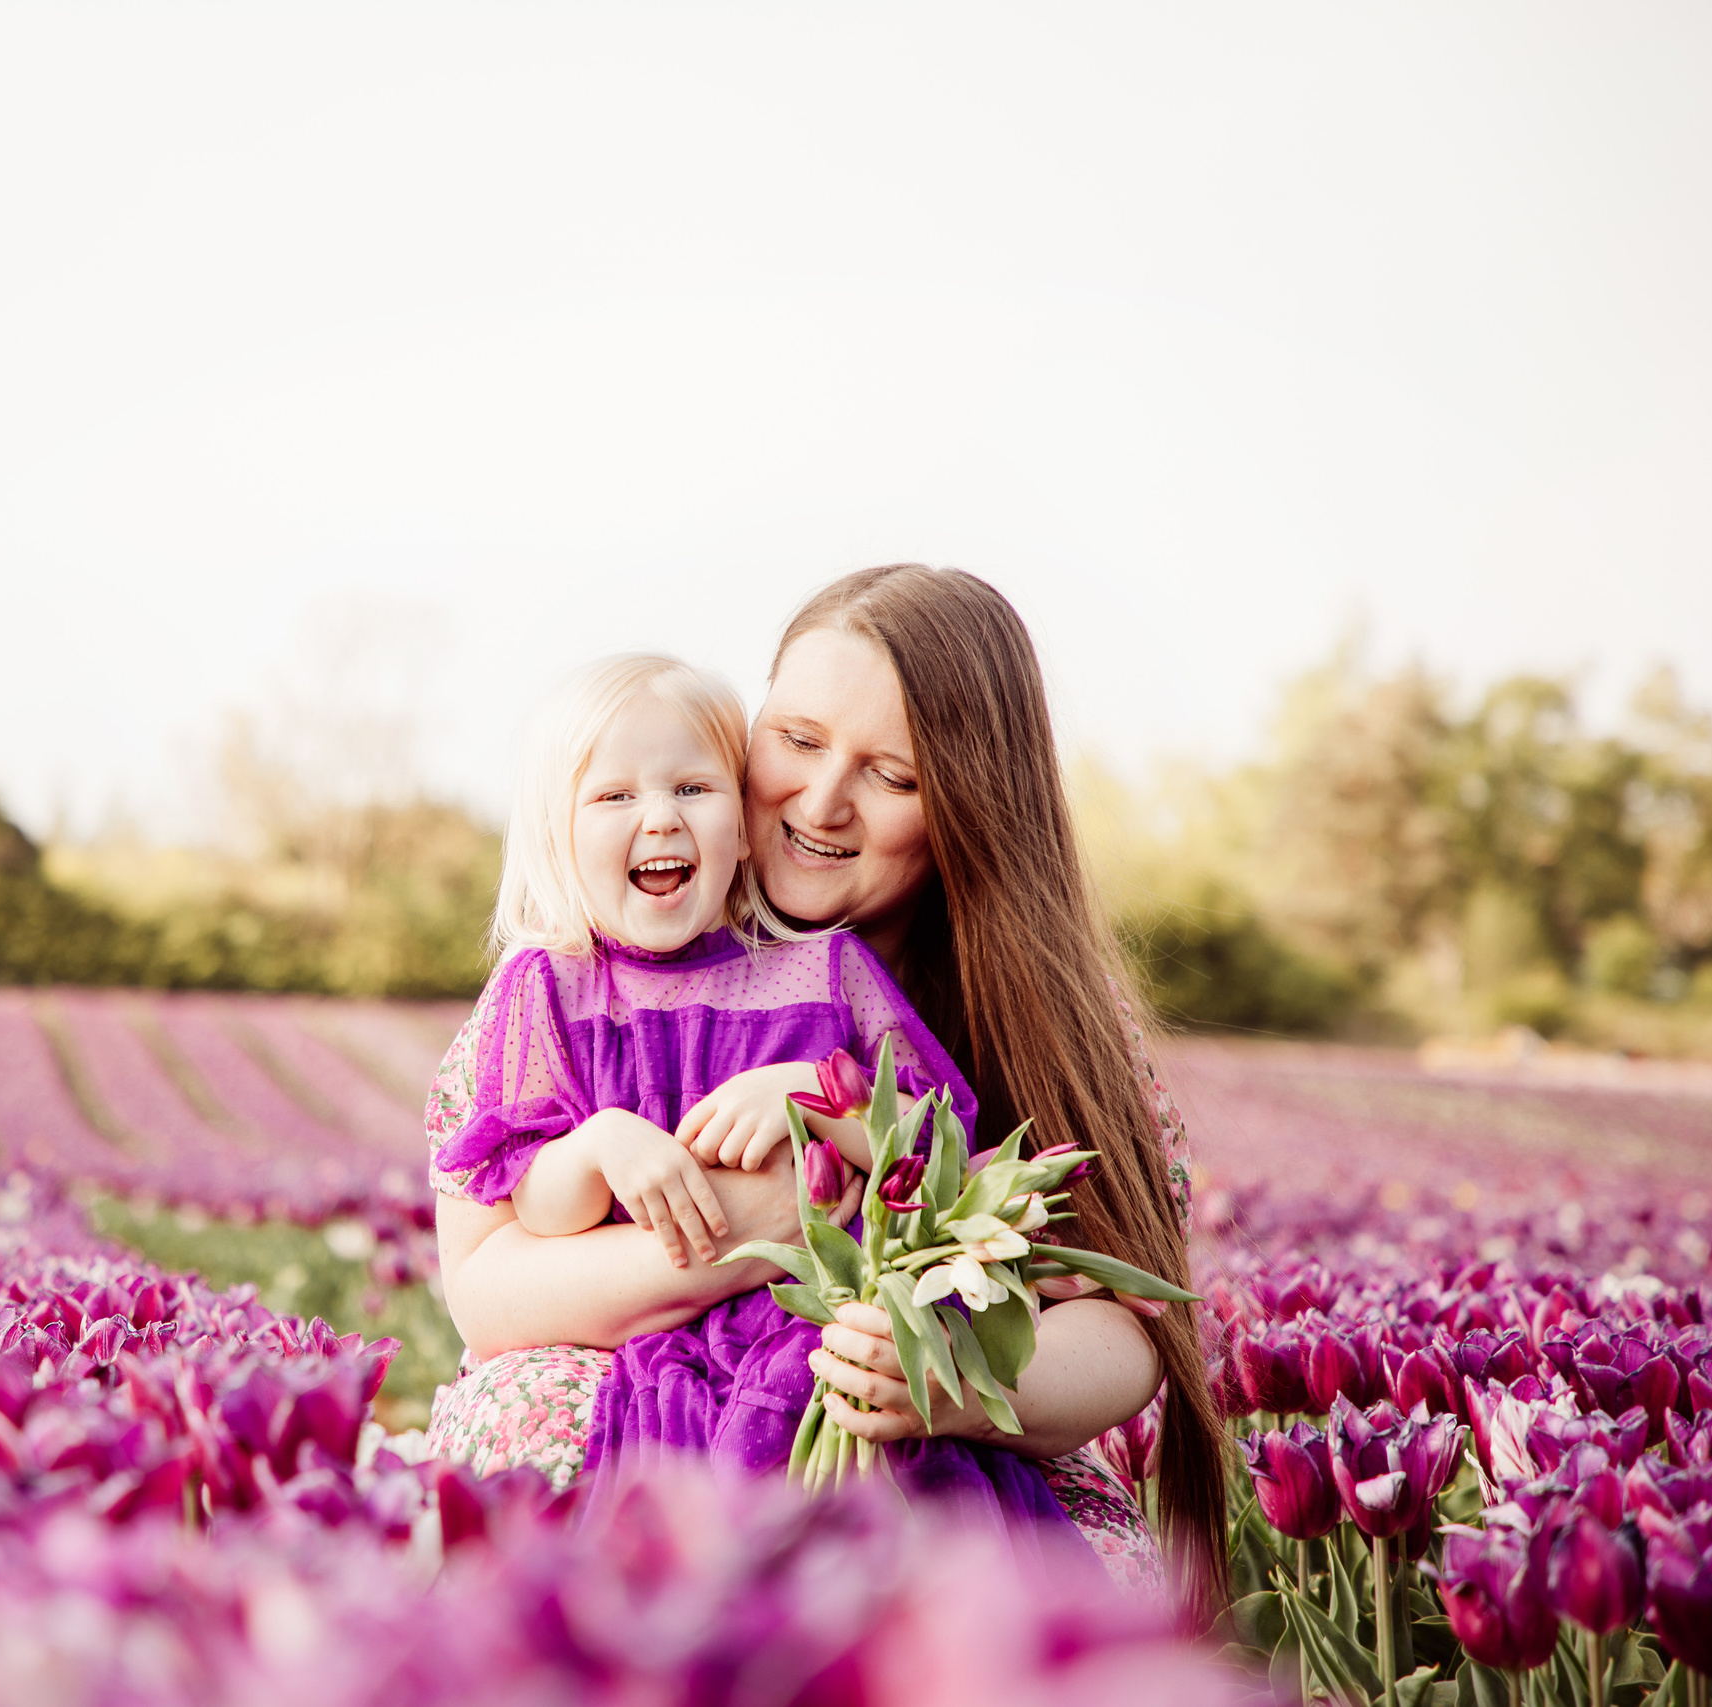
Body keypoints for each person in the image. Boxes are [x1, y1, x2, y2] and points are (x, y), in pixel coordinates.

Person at [427, 565, 1223, 1621]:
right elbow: (486, 1288)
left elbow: (1127, 1333)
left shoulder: (1043, 1015)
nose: (817, 801)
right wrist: (764, 1227)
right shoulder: (582, 968)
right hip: (632, 1391)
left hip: (925, 1419)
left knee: (1027, 1599)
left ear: (970, 804)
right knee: (527, 1492)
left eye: (890, 775)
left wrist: (940, 1382)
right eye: (795, 740)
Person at [429, 651, 1079, 1534]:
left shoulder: (824, 973)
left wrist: (814, 1094)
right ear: (557, 834)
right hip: (650, 1345)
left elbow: (937, 1144)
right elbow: (529, 1201)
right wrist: (599, 1144)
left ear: (742, 827)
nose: (659, 816)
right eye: (615, 796)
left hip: (817, 1336)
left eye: (693, 788)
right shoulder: (549, 988)